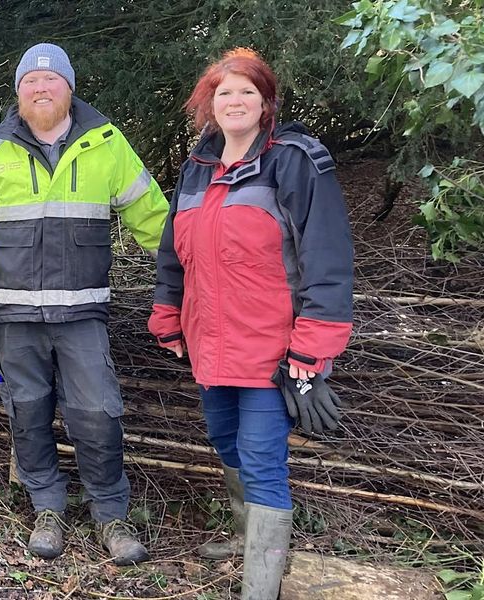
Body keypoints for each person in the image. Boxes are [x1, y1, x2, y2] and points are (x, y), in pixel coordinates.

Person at [0, 43, 167, 563]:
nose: (40, 90)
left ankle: (111, 514)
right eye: (30, 82)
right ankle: (48, 505)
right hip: (12, 316)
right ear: (18, 91)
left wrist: (186, 277)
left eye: (50, 81)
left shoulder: (106, 146)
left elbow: (153, 217)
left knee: (98, 412)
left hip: (82, 313)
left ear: (69, 87)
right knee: (26, 411)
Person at [148, 48, 353, 599]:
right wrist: (168, 316)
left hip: (271, 348)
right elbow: (175, 254)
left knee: (263, 458)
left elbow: (327, 256)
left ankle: (260, 586)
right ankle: (249, 541)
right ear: (208, 106)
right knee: (225, 441)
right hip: (210, 345)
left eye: (246, 92)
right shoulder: (196, 168)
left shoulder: (295, 160)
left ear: (265, 102)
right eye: (224, 93)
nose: (234, 101)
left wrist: (312, 349)